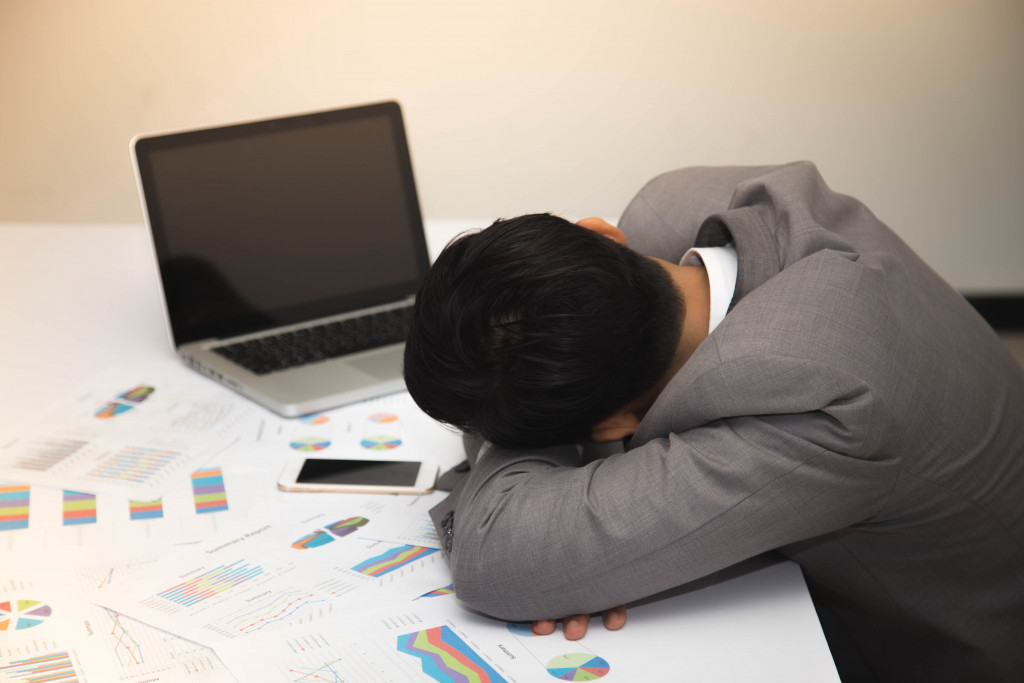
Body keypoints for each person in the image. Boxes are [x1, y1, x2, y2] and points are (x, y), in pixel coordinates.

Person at [402, 162, 1024, 681]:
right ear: (602, 236)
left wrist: (560, 554)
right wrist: (572, 553)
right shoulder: (676, 204)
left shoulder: (823, 402)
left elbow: (498, 557)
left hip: (934, 648)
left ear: (614, 421)